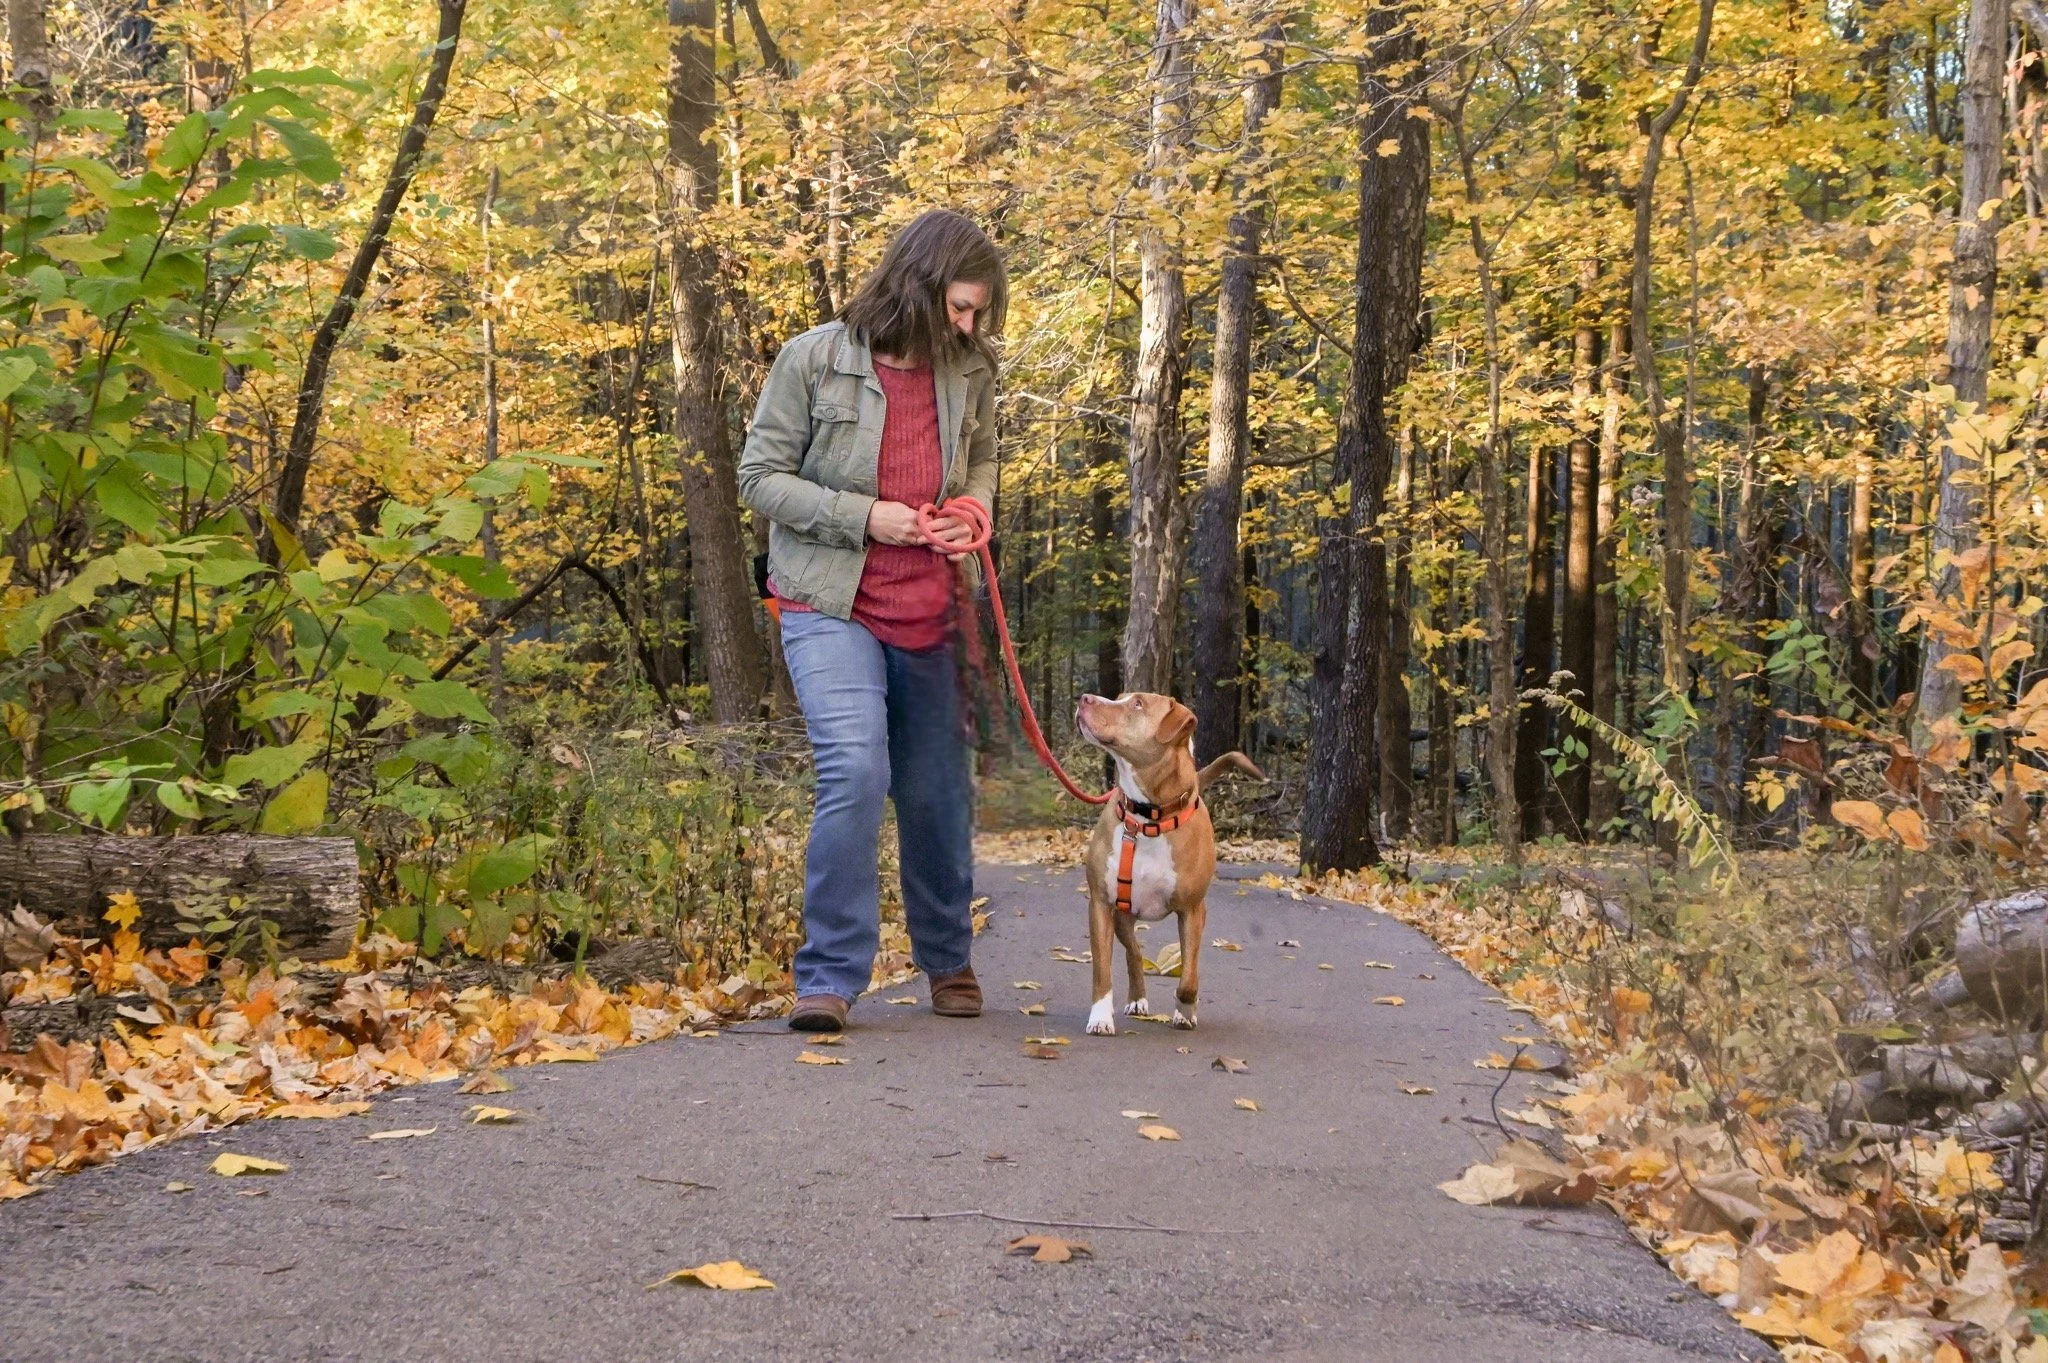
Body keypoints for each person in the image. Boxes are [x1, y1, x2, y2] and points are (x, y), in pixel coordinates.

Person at [737, 208, 1006, 1033]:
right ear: (915, 288)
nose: (968, 326)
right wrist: (865, 516)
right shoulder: (812, 359)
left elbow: (987, 459)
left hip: (933, 606)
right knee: (855, 768)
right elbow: (760, 476)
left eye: (977, 313)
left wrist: (972, 508)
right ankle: (828, 974)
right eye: (958, 308)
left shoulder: (970, 370)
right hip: (827, 599)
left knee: (936, 790)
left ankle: (945, 954)